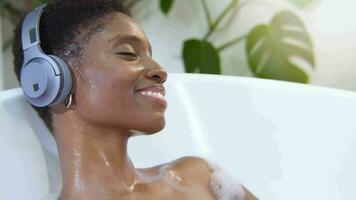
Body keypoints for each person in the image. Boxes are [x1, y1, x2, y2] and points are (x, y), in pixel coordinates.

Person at [12, 0, 258, 199]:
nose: (160, 71)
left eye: (150, 55)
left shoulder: (199, 177)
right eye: (128, 54)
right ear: (49, 81)